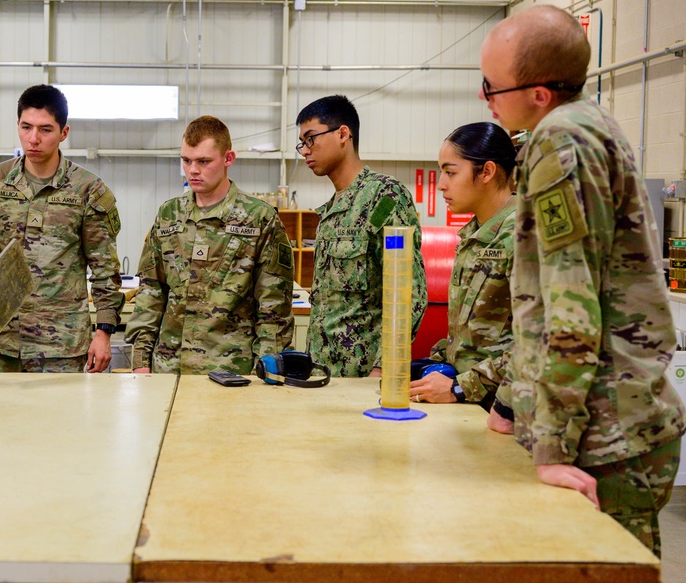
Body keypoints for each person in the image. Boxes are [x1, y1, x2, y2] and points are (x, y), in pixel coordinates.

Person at [480, 4, 686, 556]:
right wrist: (509, 404)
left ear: (539, 93)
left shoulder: (560, 144)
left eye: (491, 87)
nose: (486, 100)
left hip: (605, 437)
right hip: (606, 423)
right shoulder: (586, 124)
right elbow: (537, 303)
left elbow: (571, 307)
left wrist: (551, 446)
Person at [0, 84, 123, 373]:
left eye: (46, 130)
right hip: (2, 342)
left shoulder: (87, 190)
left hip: (61, 345)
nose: (33, 139)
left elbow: (104, 270)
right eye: (26, 127)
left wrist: (104, 333)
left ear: (64, 133)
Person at [125, 116, 295, 374]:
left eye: (204, 161)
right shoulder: (169, 214)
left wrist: (266, 373)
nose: (193, 170)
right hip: (168, 370)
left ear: (228, 159)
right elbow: (151, 291)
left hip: (231, 372)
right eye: (186, 160)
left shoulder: (259, 219)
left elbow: (273, 310)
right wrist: (140, 363)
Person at [296, 95, 427, 377]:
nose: (305, 151)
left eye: (311, 139)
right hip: (322, 372)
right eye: (302, 143)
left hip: (363, 375)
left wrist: (383, 365)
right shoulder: (332, 212)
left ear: (343, 134)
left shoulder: (384, 198)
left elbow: (408, 290)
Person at [409, 122, 515, 409]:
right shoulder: (472, 236)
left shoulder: (522, 236)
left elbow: (539, 345)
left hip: (504, 408)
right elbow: (465, 338)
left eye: (451, 172)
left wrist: (458, 387)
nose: (441, 183)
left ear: (487, 172)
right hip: (469, 401)